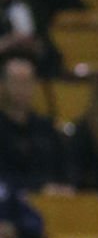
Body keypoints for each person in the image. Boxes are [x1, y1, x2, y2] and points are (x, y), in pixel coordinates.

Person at [0, 53, 68, 191]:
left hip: (53, 202)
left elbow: (64, 169)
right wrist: (39, 187)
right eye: (16, 82)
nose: (21, 89)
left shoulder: (46, 128)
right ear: (3, 85)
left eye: (27, 82)